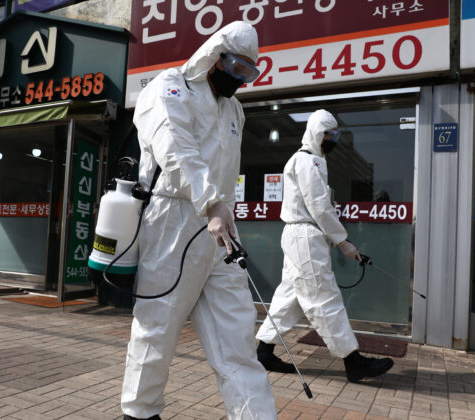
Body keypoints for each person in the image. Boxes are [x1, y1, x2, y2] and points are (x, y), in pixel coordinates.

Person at [121, 22, 278, 420]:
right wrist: (209, 203)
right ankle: (139, 412)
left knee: (237, 336)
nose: (240, 78)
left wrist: (221, 209)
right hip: (173, 220)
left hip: (220, 227)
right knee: (158, 324)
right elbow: (175, 148)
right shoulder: (170, 88)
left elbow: (226, 168)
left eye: (248, 72)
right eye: (236, 67)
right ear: (215, 55)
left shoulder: (233, 109)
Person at [254, 110, 394, 382]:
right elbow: (319, 206)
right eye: (329, 135)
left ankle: (264, 352)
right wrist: (342, 241)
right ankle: (353, 361)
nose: (333, 140)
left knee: (289, 296)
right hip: (305, 236)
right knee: (325, 297)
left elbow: (318, 206)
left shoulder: (308, 160)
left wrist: (335, 238)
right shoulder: (308, 163)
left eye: (335, 135)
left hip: (300, 235)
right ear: (317, 134)